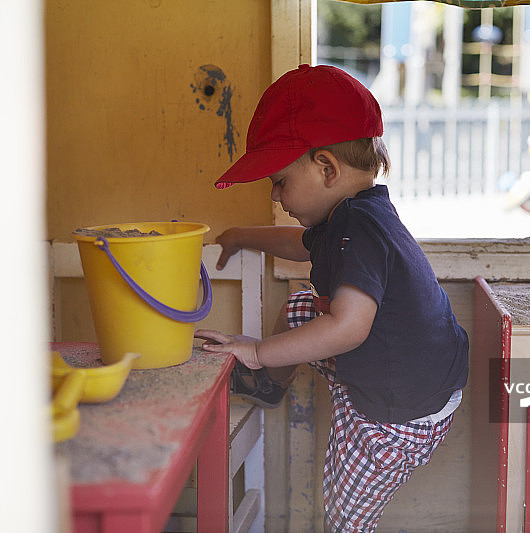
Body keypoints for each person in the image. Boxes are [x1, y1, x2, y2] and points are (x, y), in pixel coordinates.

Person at [195, 64, 469, 532]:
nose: (277, 196)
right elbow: (299, 246)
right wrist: (242, 236)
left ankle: (266, 376)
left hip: (398, 411)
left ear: (326, 168)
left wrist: (257, 352)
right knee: (302, 308)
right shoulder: (349, 218)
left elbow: (347, 328)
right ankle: (270, 387)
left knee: (344, 513)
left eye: (279, 181)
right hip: (412, 369)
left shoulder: (359, 228)